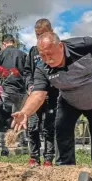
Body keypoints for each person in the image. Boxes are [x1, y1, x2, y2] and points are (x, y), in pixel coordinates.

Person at [11, 32, 92, 173]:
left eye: (49, 53)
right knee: (61, 132)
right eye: (43, 55)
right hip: (70, 101)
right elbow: (38, 94)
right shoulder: (43, 69)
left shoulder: (81, 45)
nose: (47, 59)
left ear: (60, 46)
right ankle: (65, 171)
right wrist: (25, 112)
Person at [24, 18, 58, 167]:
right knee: (32, 126)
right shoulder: (32, 51)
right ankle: (33, 157)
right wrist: (29, 85)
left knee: (49, 127)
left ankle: (48, 159)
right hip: (34, 96)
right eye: (37, 35)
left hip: (51, 95)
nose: (39, 38)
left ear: (51, 31)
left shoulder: (57, 48)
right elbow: (27, 72)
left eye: (42, 34)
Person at [0, 34, 27, 156]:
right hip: (21, 90)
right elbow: (27, 72)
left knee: (4, 117)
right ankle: (20, 144)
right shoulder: (23, 55)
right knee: (20, 117)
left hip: (5, 89)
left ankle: (4, 147)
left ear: (4, 43)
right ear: (14, 42)